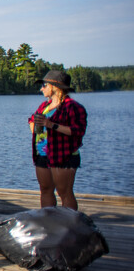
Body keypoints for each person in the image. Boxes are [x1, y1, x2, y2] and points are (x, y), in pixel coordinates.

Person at [30, 69, 87, 210]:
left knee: (64, 192)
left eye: (44, 85)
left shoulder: (73, 107)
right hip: (42, 154)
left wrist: (50, 125)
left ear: (55, 87)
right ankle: (49, 221)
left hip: (64, 155)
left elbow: (78, 131)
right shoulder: (44, 106)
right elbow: (33, 119)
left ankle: (69, 224)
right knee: (45, 189)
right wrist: (34, 124)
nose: (41, 88)